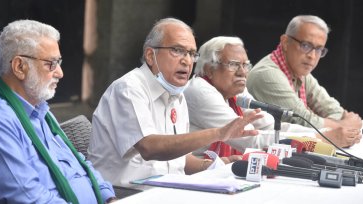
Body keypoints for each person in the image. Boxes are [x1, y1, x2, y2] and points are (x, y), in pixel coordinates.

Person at [87, 18, 263, 189]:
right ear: (150, 55)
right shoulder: (128, 89)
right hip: (125, 194)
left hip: (169, 189)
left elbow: (178, 160)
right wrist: (218, 133)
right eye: (177, 50)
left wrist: (214, 165)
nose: (186, 61)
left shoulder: (176, 95)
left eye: (191, 54)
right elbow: (150, 148)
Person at [0, 20, 116, 203]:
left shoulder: (40, 110)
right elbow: (27, 197)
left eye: (59, 62)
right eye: (51, 64)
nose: (60, 73)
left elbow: (79, 164)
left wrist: (108, 197)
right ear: (19, 67)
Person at [185, 36, 340, 158]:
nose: (242, 72)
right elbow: (250, 140)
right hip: (198, 176)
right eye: (233, 64)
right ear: (209, 69)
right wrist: (317, 139)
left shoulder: (236, 90)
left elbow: (270, 126)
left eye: (245, 65)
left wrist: (321, 133)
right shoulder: (200, 91)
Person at [246, 15, 362, 148]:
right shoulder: (267, 75)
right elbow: (303, 122)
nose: (312, 56)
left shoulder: (299, 70)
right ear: (285, 42)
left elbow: (332, 109)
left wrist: (338, 124)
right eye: (305, 45)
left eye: (319, 49)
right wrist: (345, 125)